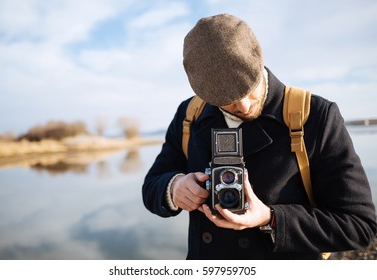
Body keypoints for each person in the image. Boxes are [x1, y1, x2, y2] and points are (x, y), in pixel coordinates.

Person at [142, 13, 377, 259]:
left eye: (249, 89)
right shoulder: (189, 114)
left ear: (258, 61)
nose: (243, 106)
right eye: (226, 102)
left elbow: (359, 226)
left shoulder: (315, 115)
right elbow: (151, 186)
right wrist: (175, 187)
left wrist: (271, 219)